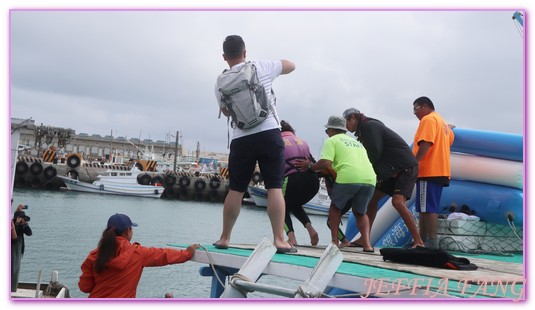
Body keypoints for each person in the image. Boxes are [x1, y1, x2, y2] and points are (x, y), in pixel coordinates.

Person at [212, 35, 296, 253]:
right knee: (274, 187)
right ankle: (279, 239)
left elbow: (226, 111)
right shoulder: (260, 67)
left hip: (241, 138)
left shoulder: (220, 82)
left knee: (236, 189)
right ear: (245, 52)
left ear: (224, 57)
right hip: (268, 131)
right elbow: (291, 65)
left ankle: (224, 237)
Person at [343, 108, 425, 248]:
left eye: (346, 122)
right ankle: (364, 238)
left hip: (404, 167)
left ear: (352, 118)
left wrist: (365, 171)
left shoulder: (370, 126)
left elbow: (375, 152)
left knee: (397, 202)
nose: (346, 126)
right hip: (391, 170)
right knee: (372, 199)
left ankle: (418, 241)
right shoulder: (365, 128)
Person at [295, 116, 376, 252]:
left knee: (335, 208)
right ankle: (367, 245)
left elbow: (326, 163)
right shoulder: (357, 142)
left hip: (349, 177)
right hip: (370, 179)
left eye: (327, 131)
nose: (327, 133)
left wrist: (310, 166)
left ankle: (334, 242)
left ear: (331, 130)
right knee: (360, 212)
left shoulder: (331, 141)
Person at [78, 213, 199, 298]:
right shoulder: (136, 253)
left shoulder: (94, 255)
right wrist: (187, 253)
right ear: (127, 231)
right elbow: (164, 255)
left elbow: (85, 287)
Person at [412, 96, 455, 249]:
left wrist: (414, 162)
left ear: (425, 106)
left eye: (416, 109)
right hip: (441, 171)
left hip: (428, 171)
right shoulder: (442, 123)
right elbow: (449, 139)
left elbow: (426, 142)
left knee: (426, 208)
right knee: (427, 207)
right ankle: (423, 241)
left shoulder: (428, 120)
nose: (414, 113)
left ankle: (427, 242)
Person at [280, 120, 320, 246]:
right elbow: (314, 165)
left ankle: (291, 238)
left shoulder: (277, 142)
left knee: (280, 206)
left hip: (293, 180)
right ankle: (311, 230)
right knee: (294, 204)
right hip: (313, 182)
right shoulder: (302, 142)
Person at [11, 204, 32, 292]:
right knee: (12, 269)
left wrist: (25, 224)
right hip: (12, 249)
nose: (22, 219)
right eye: (21, 217)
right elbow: (14, 238)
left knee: (15, 270)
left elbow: (29, 233)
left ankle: (12, 288)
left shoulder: (22, 225)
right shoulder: (12, 224)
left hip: (18, 250)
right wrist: (16, 224)